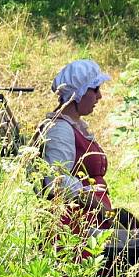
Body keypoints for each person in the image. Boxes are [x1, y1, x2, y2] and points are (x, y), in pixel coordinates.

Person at [38, 59, 113, 234]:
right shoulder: (60, 129)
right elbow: (55, 181)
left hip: (88, 225)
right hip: (71, 228)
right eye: (95, 89)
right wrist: (100, 208)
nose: (99, 96)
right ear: (78, 93)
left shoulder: (75, 126)